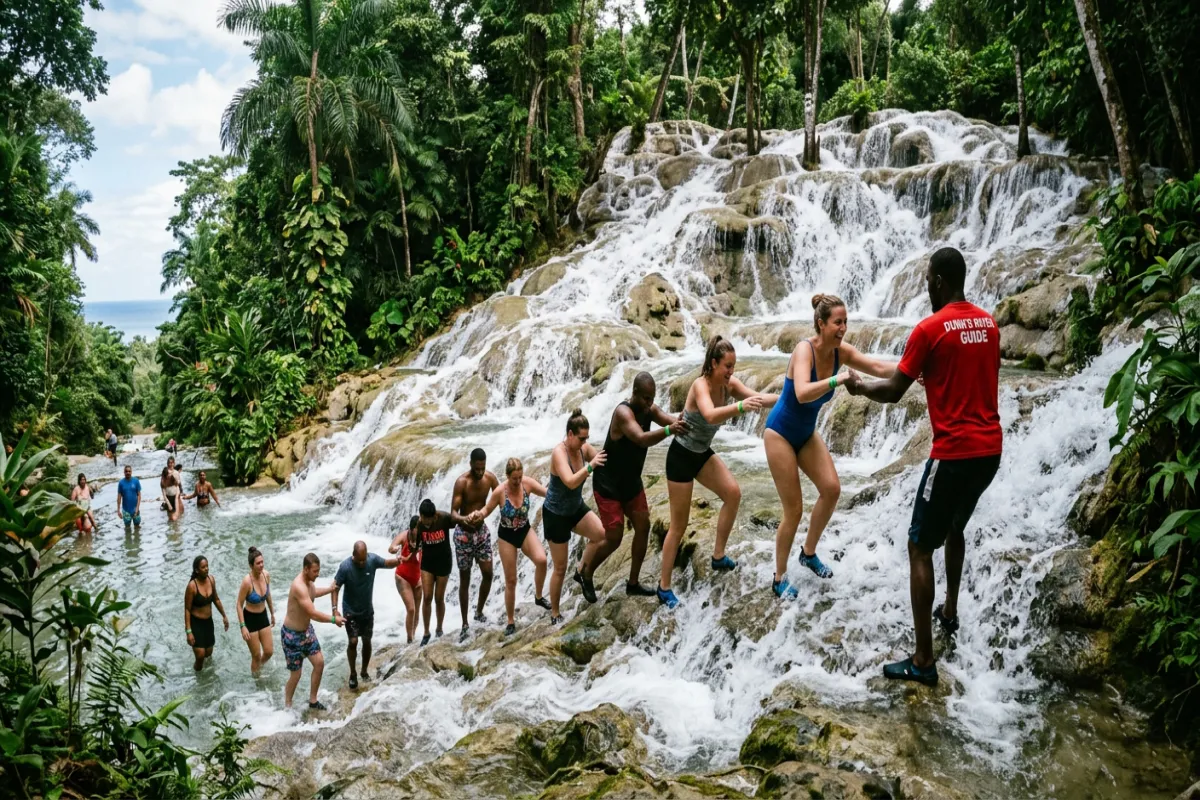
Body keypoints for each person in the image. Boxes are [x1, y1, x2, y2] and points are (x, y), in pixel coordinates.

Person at [843, 246, 1002, 687]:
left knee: (918, 547)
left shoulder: (929, 329)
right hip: (990, 450)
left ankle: (923, 659)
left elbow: (894, 390)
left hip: (952, 453)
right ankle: (949, 612)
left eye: (927, 281)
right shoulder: (989, 324)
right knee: (955, 525)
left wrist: (859, 387)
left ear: (936, 281)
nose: (925, 288)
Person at [764, 294, 902, 598]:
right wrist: (837, 381)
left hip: (805, 434)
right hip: (779, 434)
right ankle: (779, 577)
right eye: (838, 322)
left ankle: (808, 553)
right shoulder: (804, 350)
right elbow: (801, 393)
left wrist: (912, 369)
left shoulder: (842, 352)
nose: (843, 328)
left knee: (832, 489)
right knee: (794, 510)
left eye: (846, 322)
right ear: (821, 323)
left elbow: (878, 367)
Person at [658, 337, 777, 608]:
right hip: (680, 457)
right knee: (679, 525)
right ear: (713, 363)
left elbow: (756, 398)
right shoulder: (700, 385)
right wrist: (738, 407)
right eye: (727, 366)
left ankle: (718, 555)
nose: (731, 372)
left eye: (733, 366)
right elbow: (710, 415)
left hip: (701, 454)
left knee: (733, 493)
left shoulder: (729, 385)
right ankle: (663, 587)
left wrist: (789, 397)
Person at [573, 374, 689, 603]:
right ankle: (585, 573)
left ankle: (633, 583)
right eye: (646, 398)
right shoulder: (623, 413)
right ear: (634, 393)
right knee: (614, 537)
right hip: (608, 483)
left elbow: (669, 419)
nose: (649, 403)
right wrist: (669, 431)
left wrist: (685, 418)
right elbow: (641, 438)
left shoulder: (649, 409)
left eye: (652, 399)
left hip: (631, 482)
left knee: (643, 526)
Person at [543, 409, 608, 624]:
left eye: (586, 438)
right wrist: (591, 466)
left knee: (600, 534)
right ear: (570, 434)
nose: (584, 442)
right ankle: (554, 612)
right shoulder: (558, 453)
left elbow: (603, 458)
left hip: (575, 508)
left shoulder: (583, 448)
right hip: (555, 515)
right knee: (560, 568)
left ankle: (581, 572)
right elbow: (571, 481)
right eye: (581, 438)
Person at [473, 458, 551, 635]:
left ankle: (538, 597)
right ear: (507, 476)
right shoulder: (500, 492)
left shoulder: (527, 484)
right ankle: (510, 621)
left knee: (542, 560)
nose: (517, 481)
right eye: (514, 478)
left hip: (524, 530)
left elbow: (548, 493)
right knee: (511, 580)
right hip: (507, 535)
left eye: (520, 477)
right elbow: (486, 510)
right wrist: (478, 514)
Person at [332, 541, 400, 689]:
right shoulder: (345, 567)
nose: (363, 563)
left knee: (367, 641)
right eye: (359, 560)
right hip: (350, 611)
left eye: (364, 559)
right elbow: (335, 587)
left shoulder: (372, 560)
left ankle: (363, 671)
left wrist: (399, 560)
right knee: (353, 642)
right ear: (353, 556)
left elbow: (387, 563)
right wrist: (334, 609)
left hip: (367, 610)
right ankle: (353, 674)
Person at [282, 553, 343, 710]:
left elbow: (313, 594)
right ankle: (288, 706)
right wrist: (333, 619)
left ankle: (313, 701)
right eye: (315, 571)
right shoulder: (298, 586)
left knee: (319, 663)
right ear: (306, 569)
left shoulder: (309, 582)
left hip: (306, 631)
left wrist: (330, 589)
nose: (318, 574)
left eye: (318, 570)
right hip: (292, 635)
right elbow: (312, 613)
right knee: (296, 675)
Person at [451, 449, 499, 641]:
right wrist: (465, 519)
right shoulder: (462, 482)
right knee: (465, 579)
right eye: (477, 468)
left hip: (481, 533)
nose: (480, 472)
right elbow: (453, 513)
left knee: (488, 573)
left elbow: (501, 496)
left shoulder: (490, 479)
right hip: (463, 534)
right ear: (471, 464)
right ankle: (464, 623)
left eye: (483, 468)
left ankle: (479, 612)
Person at [414, 498, 472, 645]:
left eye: (429, 519)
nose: (426, 522)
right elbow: (416, 544)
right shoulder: (419, 524)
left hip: (443, 563)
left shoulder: (444, 518)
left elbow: (459, 522)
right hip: (427, 563)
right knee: (427, 597)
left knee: (438, 598)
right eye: (423, 518)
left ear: (434, 516)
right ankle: (426, 632)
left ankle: (439, 628)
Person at [184, 556, 229, 671]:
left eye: (207, 566)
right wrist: (189, 632)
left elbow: (216, 599)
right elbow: (187, 610)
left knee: (208, 654)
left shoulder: (211, 580)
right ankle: (197, 677)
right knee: (200, 656)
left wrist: (224, 616)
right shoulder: (192, 586)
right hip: (196, 624)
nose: (206, 569)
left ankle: (208, 680)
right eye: (203, 567)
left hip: (208, 623)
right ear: (197, 570)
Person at [236, 547, 275, 675]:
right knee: (256, 655)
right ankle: (256, 680)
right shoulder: (247, 582)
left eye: (262, 562)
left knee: (269, 651)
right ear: (251, 565)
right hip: (250, 619)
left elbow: (268, 595)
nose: (261, 565)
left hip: (263, 616)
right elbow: (239, 604)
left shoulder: (266, 575)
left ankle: (258, 668)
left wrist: (272, 613)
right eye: (258, 563)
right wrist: (243, 626)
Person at [389, 517, 424, 644]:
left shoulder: (423, 537)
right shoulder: (404, 536)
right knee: (411, 609)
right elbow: (391, 547)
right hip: (402, 576)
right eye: (417, 529)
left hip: (417, 577)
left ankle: (413, 636)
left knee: (417, 610)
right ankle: (409, 640)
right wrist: (395, 549)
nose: (420, 531)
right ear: (411, 528)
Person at [116, 465, 142, 531]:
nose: (128, 473)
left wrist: (137, 508)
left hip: (135, 509)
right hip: (126, 510)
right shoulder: (121, 483)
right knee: (127, 529)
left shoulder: (136, 481)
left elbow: (139, 495)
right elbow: (119, 497)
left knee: (137, 527)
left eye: (129, 471)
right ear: (124, 472)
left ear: (131, 472)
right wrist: (118, 510)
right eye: (126, 471)